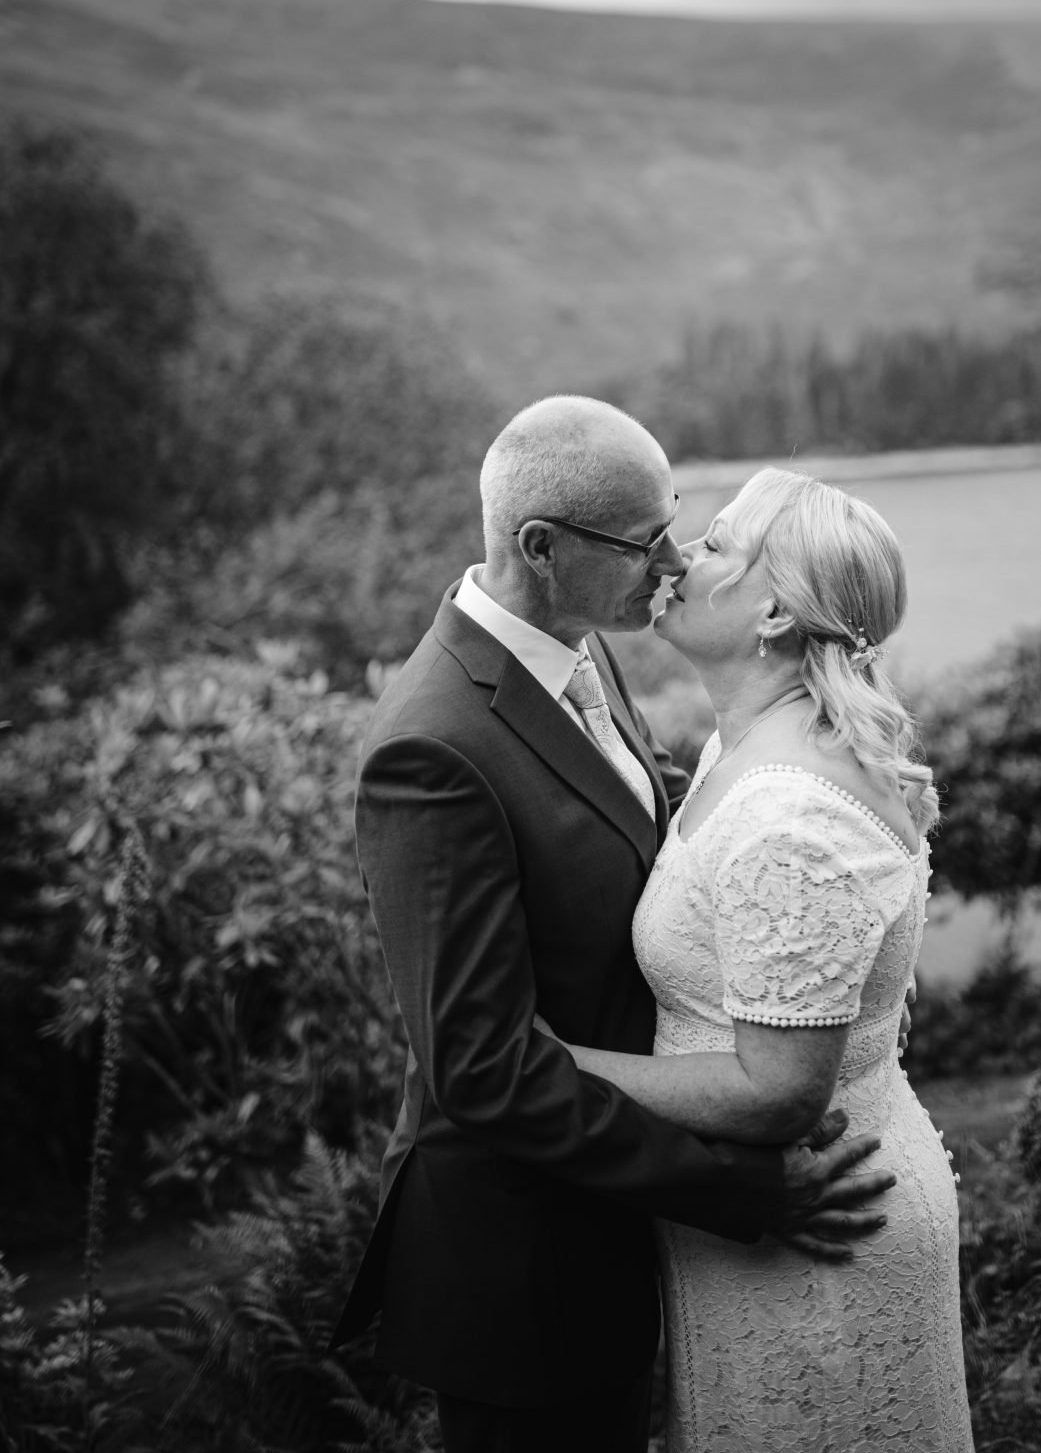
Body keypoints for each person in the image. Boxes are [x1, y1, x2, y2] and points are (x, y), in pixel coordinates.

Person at [331, 398, 897, 1453]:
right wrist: (737, 1187)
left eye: (673, 522)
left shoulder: (577, 646)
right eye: (647, 540)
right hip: (526, 1268)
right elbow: (484, 1068)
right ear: (539, 547)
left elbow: (647, 843)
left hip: (620, 1221)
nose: (675, 558)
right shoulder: (431, 748)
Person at [550, 466, 975, 1451]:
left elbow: (779, 1089)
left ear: (775, 610)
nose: (682, 556)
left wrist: (552, 1061)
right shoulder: (749, 742)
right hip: (762, 1226)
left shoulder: (792, 818)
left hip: (822, 1236)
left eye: (720, 545)